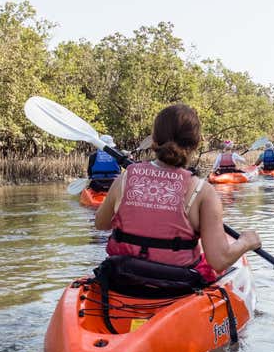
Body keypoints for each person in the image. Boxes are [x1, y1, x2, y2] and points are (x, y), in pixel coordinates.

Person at [95, 104, 261, 281]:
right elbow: (219, 261)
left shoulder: (126, 177)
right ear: (196, 144)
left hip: (122, 280)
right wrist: (246, 242)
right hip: (175, 287)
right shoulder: (203, 191)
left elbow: (101, 224)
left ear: (154, 141)